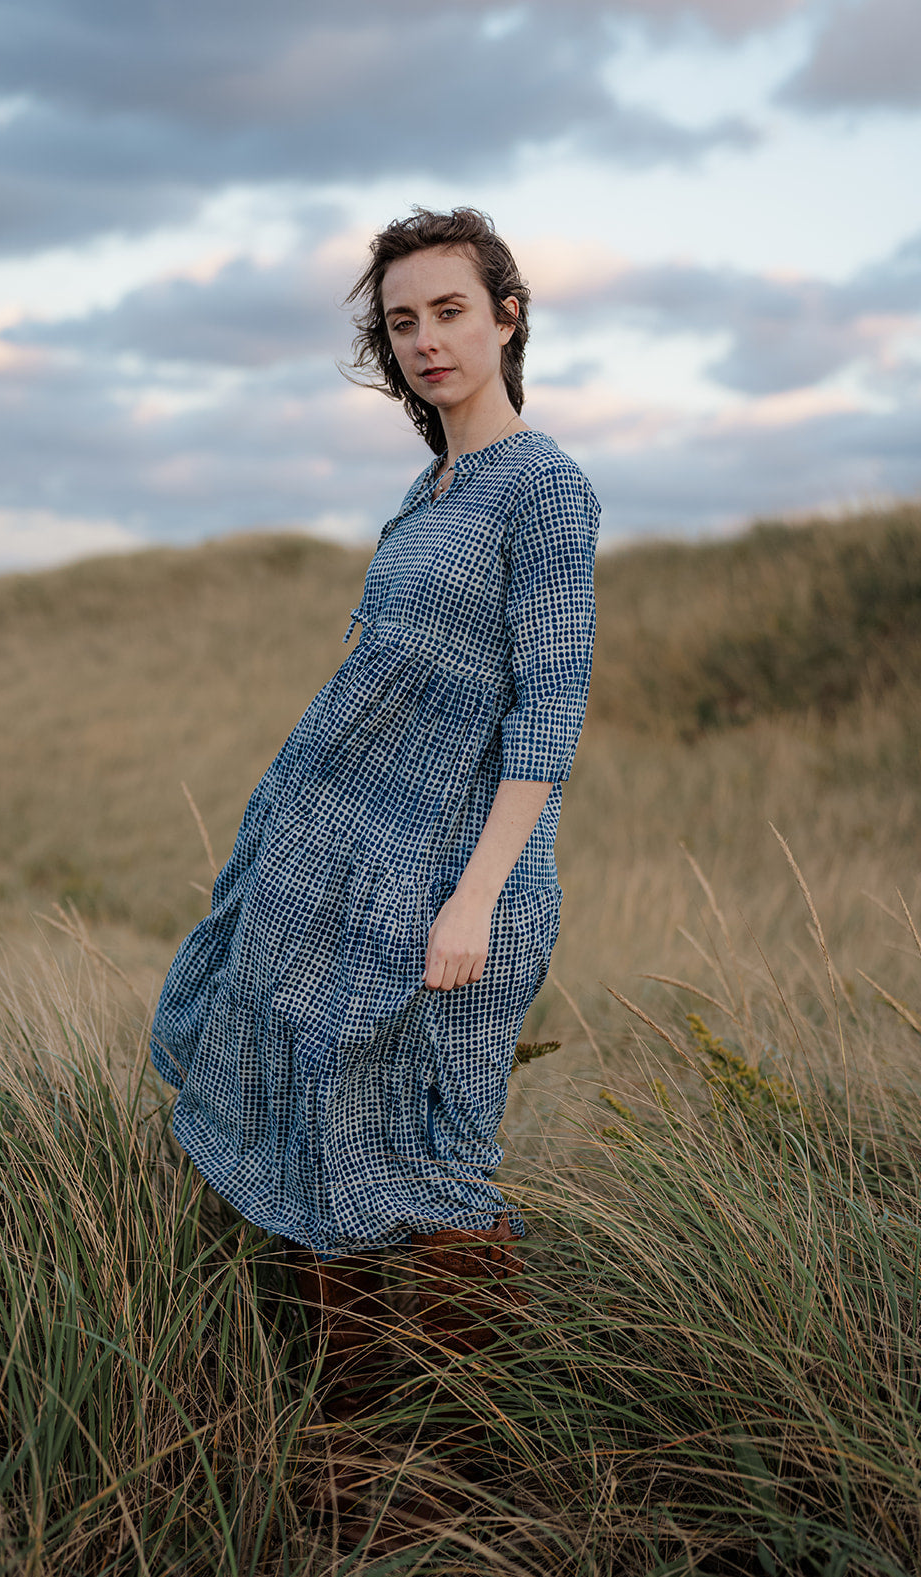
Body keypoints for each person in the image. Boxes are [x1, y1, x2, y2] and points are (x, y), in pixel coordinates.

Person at [150, 206, 600, 1441]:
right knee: (322, 1128)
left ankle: (465, 1464)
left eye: (448, 310)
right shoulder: (432, 485)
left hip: (451, 884)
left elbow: (549, 713)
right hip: (336, 866)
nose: (423, 340)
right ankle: (355, 1445)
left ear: (506, 314)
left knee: (433, 1165)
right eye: (401, 322)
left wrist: (478, 894)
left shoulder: (546, 489)